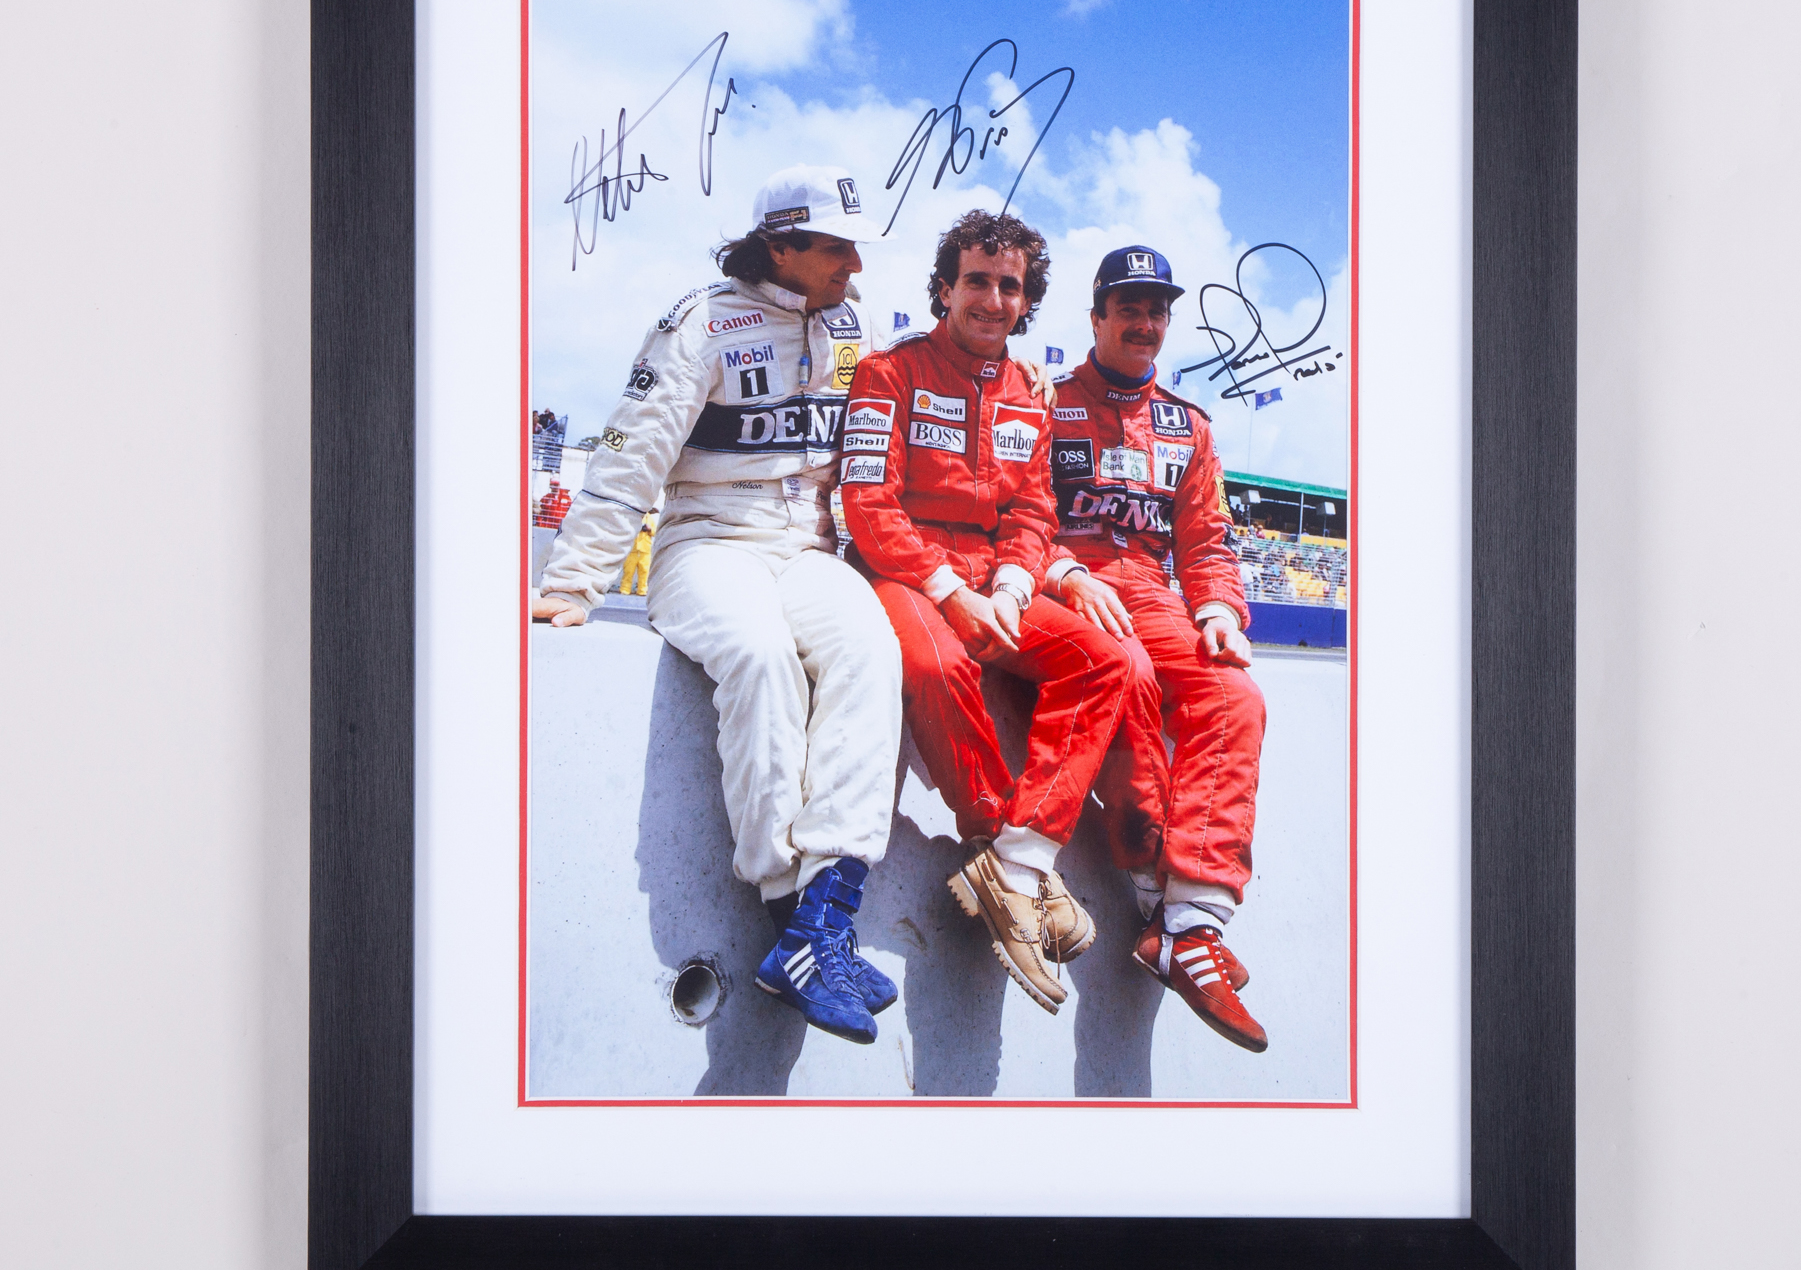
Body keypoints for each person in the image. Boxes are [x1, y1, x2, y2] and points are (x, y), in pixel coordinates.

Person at [533, 166, 904, 1045]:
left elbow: (928, 361)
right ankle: (788, 908)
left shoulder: (855, 323)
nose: (855, 263)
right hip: (706, 543)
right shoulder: (698, 323)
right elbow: (627, 456)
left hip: (807, 549)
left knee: (871, 650)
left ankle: (827, 911)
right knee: (762, 658)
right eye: (837, 246)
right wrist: (572, 584)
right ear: (781, 245)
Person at [840, 209, 1145, 1014]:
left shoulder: (1030, 395)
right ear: (944, 289)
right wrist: (951, 591)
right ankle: (994, 839)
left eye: (1009, 287)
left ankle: (1018, 860)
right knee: (935, 664)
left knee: (1106, 660)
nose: (992, 299)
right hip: (906, 569)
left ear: (1026, 301)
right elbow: (868, 505)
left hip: (994, 574)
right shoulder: (888, 372)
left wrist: (1009, 590)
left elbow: (1035, 513)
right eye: (976, 281)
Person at [1041, 244, 1269, 1052]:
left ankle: (1192, 921)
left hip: (1151, 591)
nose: (1144, 323)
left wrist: (1219, 610)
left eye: (1157, 311)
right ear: (1096, 317)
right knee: (1126, 676)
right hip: (1060, 581)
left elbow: (1206, 541)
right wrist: (1064, 574)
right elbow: (1010, 514)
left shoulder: (1189, 424)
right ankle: (1157, 903)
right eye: (1129, 308)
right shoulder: (1043, 400)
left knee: (1235, 696)